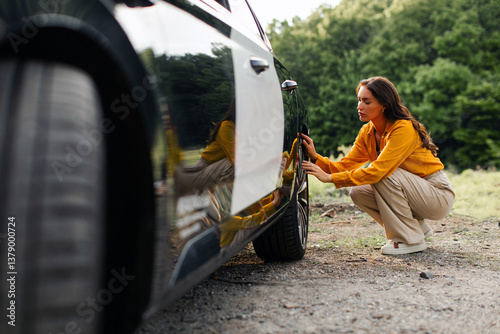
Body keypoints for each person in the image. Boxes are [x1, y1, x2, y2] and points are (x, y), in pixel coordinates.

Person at [301, 76, 455, 255]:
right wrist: (316, 158)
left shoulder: (403, 128)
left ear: (384, 104)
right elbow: (346, 165)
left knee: (383, 174)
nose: (360, 106)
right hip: (413, 191)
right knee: (358, 192)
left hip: (436, 193)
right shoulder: (367, 132)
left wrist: (330, 178)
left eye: (367, 101)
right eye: (359, 100)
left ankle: (410, 240)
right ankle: (416, 228)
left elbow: (379, 171)